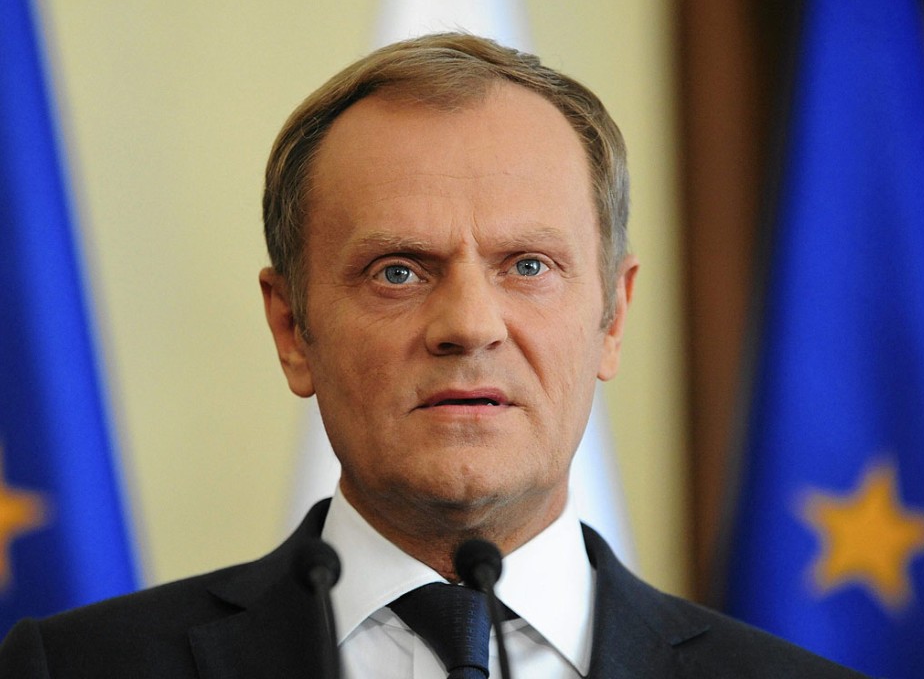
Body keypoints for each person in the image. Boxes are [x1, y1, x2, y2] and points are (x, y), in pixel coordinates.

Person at [0, 33, 866, 678]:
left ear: (612, 316)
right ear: (293, 329)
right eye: (399, 270)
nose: (469, 325)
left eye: (528, 265)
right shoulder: (72, 669)